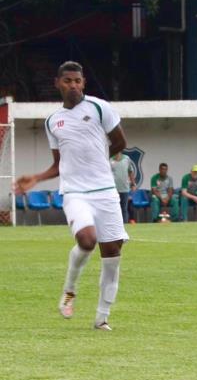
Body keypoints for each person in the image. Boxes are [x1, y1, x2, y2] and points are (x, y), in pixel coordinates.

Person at [13, 61, 128, 331]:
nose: (73, 85)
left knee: (112, 255)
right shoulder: (53, 121)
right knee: (87, 240)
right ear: (58, 84)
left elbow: (121, 142)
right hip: (75, 192)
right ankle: (70, 289)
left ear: (83, 83)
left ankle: (102, 318)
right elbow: (58, 164)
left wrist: (98, 161)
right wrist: (37, 178)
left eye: (77, 80)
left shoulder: (100, 107)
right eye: (68, 81)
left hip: (105, 191)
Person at [110, 151, 136, 224]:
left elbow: (130, 171)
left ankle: (124, 225)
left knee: (124, 208)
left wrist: (133, 184)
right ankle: (115, 225)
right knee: (114, 208)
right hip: (113, 189)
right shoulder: (110, 160)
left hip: (125, 188)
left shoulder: (127, 159)